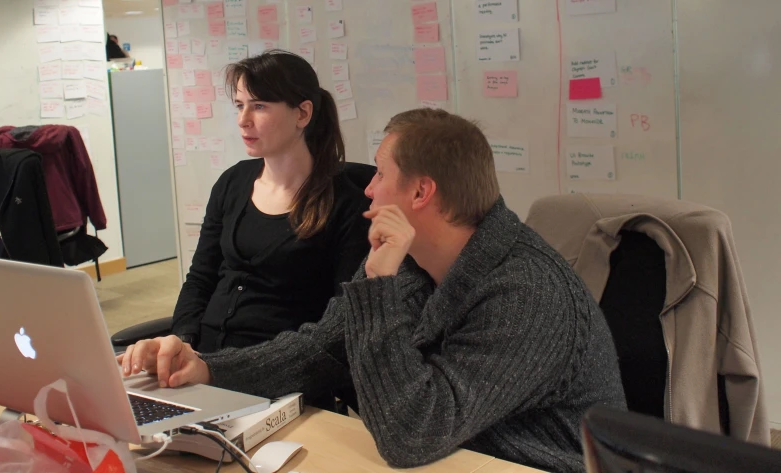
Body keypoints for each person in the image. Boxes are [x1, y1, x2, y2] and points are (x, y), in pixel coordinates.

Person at [120, 108, 626, 473]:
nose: (367, 188)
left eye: (380, 173)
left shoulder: (528, 294)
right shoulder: (408, 256)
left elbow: (413, 433)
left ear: (421, 192)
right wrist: (209, 367)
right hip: (449, 452)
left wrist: (379, 287)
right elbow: (322, 349)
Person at [170, 51, 370, 365]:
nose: (243, 120)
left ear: (303, 114)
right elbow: (200, 278)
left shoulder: (344, 203)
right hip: (200, 359)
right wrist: (181, 340)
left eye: (259, 105)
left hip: (274, 371)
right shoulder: (233, 182)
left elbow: (338, 325)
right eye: (239, 105)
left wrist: (220, 370)